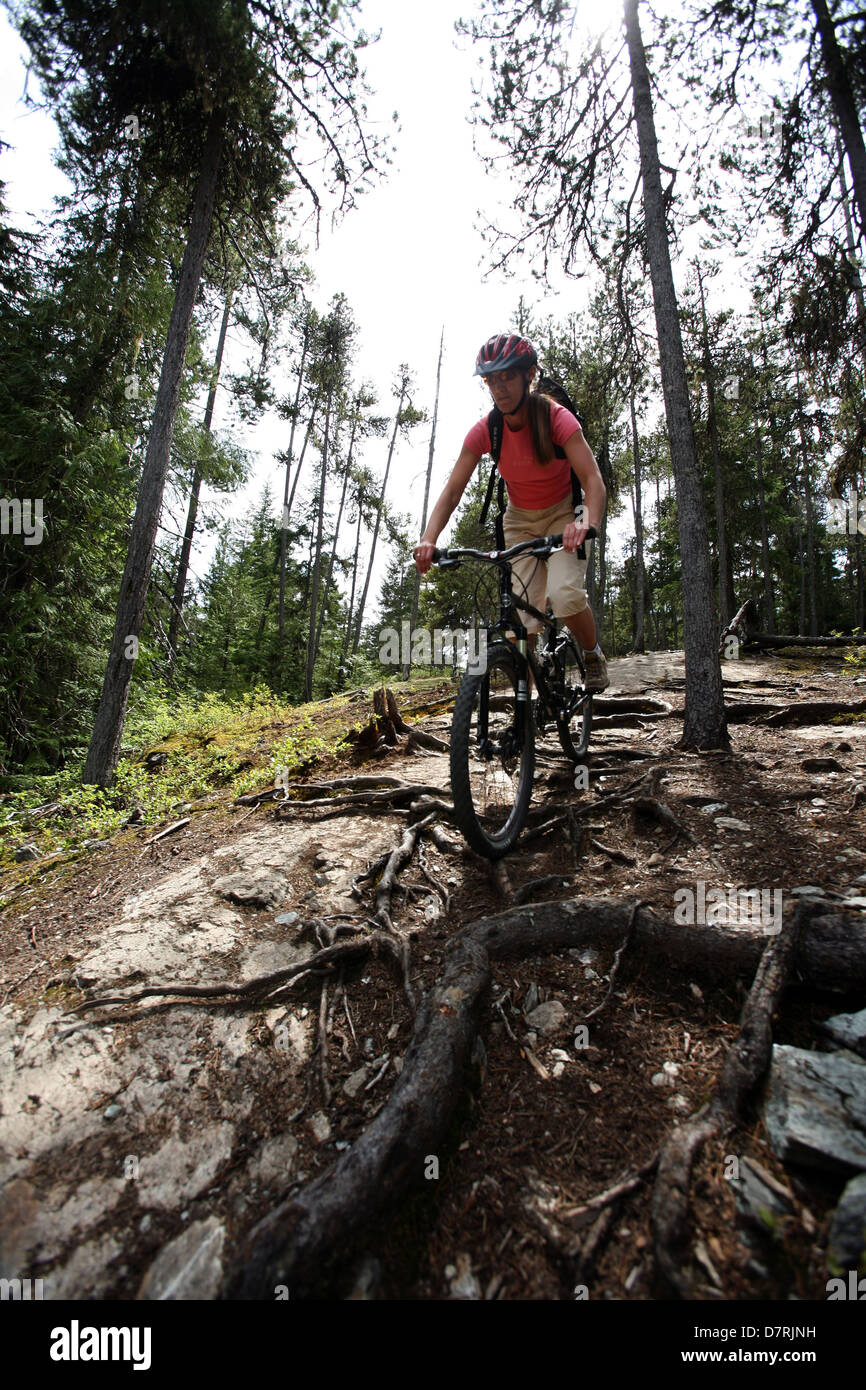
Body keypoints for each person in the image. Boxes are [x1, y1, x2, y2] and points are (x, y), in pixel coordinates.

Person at [413, 332, 610, 691]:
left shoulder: (556, 418)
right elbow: (453, 489)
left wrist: (586, 523)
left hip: (564, 515)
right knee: (519, 620)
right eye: (491, 380)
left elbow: (593, 480)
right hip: (519, 521)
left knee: (564, 595)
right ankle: (531, 709)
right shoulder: (487, 428)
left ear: (529, 374)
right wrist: (429, 539)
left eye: (507, 376)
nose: (499, 388)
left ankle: (593, 653)